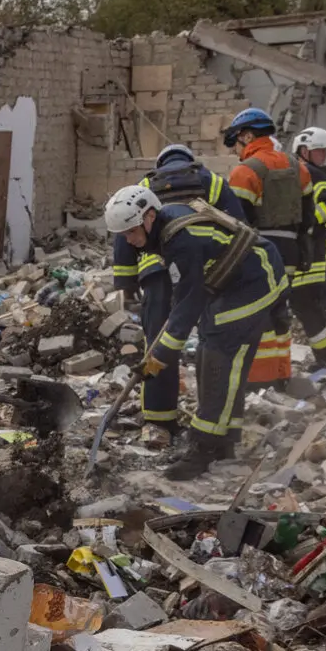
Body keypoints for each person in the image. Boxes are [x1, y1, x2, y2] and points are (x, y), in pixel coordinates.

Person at [105, 183, 287, 481]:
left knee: (218, 357)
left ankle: (204, 448)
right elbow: (186, 293)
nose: (130, 240)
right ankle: (225, 442)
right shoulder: (165, 229)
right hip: (236, 279)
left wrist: (158, 356)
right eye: (124, 235)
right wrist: (161, 350)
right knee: (210, 349)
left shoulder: (180, 239)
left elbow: (188, 303)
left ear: (149, 216)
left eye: (132, 232)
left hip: (255, 281)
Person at [113, 144, 245, 448]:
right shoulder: (211, 181)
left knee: (159, 344)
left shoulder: (144, 186)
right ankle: (211, 421)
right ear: (190, 161)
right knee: (213, 343)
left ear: (160, 163)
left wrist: (127, 284)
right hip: (206, 273)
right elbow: (238, 224)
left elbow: (124, 237)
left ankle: (159, 422)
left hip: (155, 272)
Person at [221, 108, 308, 387]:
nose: (236, 151)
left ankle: (259, 381)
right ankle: (281, 374)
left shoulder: (245, 171)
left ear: (247, 136)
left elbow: (237, 222)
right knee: (280, 310)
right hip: (291, 249)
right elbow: (309, 214)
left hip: (259, 251)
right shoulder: (298, 166)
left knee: (256, 313)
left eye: (236, 143)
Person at [288, 127, 326, 368]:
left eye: (325, 151)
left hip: (313, 250)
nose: (324, 155)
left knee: (315, 301)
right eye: (319, 151)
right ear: (304, 151)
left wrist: (308, 221)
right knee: (309, 303)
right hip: (308, 251)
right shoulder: (300, 172)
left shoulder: (319, 175)